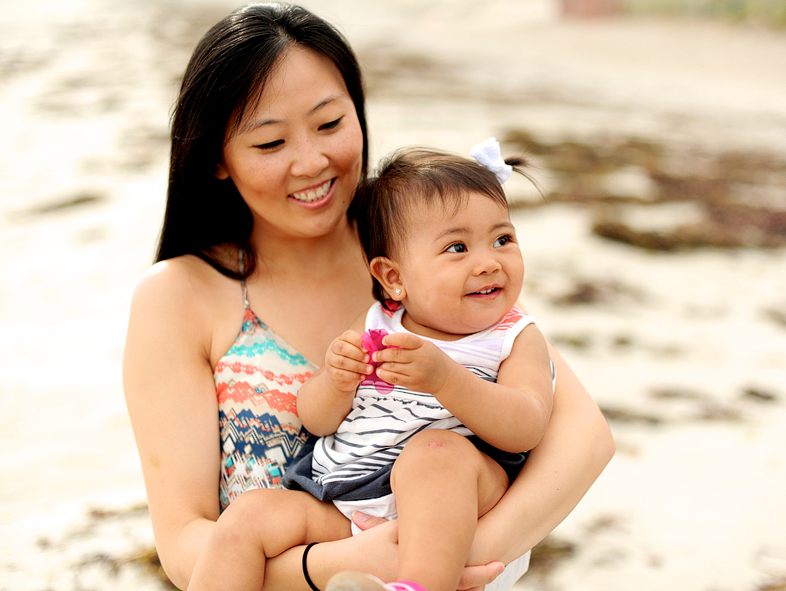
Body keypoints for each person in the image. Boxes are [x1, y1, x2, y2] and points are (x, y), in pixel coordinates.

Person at [122, 1, 614, 591]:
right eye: (270, 143)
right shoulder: (180, 296)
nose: (312, 161)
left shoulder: (424, 254)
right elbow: (183, 541)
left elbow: (583, 439)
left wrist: (447, 557)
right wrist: (335, 566)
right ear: (217, 160)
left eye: (330, 124)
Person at [185, 143, 555, 591]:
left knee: (434, 455)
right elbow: (317, 420)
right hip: (348, 493)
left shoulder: (512, 335)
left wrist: (446, 379)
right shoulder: (378, 324)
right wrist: (335, 381)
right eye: (458, 247)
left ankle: (415, 586)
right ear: (394, 278)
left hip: (451, 499)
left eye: (503, 239)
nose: (489, 262)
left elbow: (527, 425)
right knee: (248, 516)